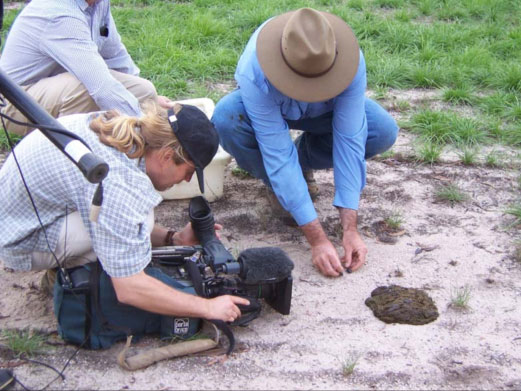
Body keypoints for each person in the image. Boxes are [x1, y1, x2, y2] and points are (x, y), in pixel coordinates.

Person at [0, 101, 249, 328]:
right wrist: (207, 307)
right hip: (20, 239)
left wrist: (174, 239)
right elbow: (130, 288)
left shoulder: (125, 129)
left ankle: (73, 266)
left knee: (135, 218)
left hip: (30, 212)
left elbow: (117, 216)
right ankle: (66, 273)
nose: (187, 179)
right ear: (166, 156)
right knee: (137, 221)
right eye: (189, 171)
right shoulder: (119, 181)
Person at [212, 8, 399, 278]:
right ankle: (278, 186)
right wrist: (317, 240)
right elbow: (276, 151)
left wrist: (350, 228)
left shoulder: (352, 63)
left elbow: (350, 142)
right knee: (227, 118)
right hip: (271, 111)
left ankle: (302, 162)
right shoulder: (256, 70)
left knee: (381, 130)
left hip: (323, 115)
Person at [0, 0, 173, 135]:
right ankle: (68, 155)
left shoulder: (98, 3)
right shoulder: (60, 14)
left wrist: (149, 101)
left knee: (144, 90)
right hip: (13, 102)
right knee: (84, 88)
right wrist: (147, 127)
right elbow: (102, 88)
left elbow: (114, 55)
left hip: (52, 86)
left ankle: (115, 152)